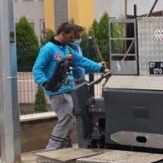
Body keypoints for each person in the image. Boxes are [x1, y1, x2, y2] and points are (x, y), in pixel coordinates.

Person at [33, 22, 109, 151]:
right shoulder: (48, 49)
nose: (73, 40)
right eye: (71, 37)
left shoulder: (66, 49)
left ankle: (63, 146)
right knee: (67, 118)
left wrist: (101, 68)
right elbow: (37, 69)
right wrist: (45, 82)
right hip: (57, 91)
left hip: (70, 90)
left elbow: (82, 61)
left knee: (74, 119)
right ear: (63, 33)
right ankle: (52, 148)